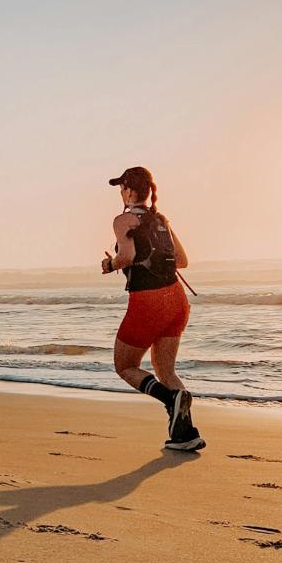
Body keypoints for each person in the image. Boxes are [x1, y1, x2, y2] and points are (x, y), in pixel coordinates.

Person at [101, 166, 205, 451]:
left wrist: (111, 264)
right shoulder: (161, 219)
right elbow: (182, 260)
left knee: (125, 366)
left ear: (131, 191)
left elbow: (128, 256)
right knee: (166, 371)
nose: (121, 194)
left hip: (148, 302)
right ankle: (185, 434)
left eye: (122, 188)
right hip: (176, 300)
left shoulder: (123, 220)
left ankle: (169, 399)